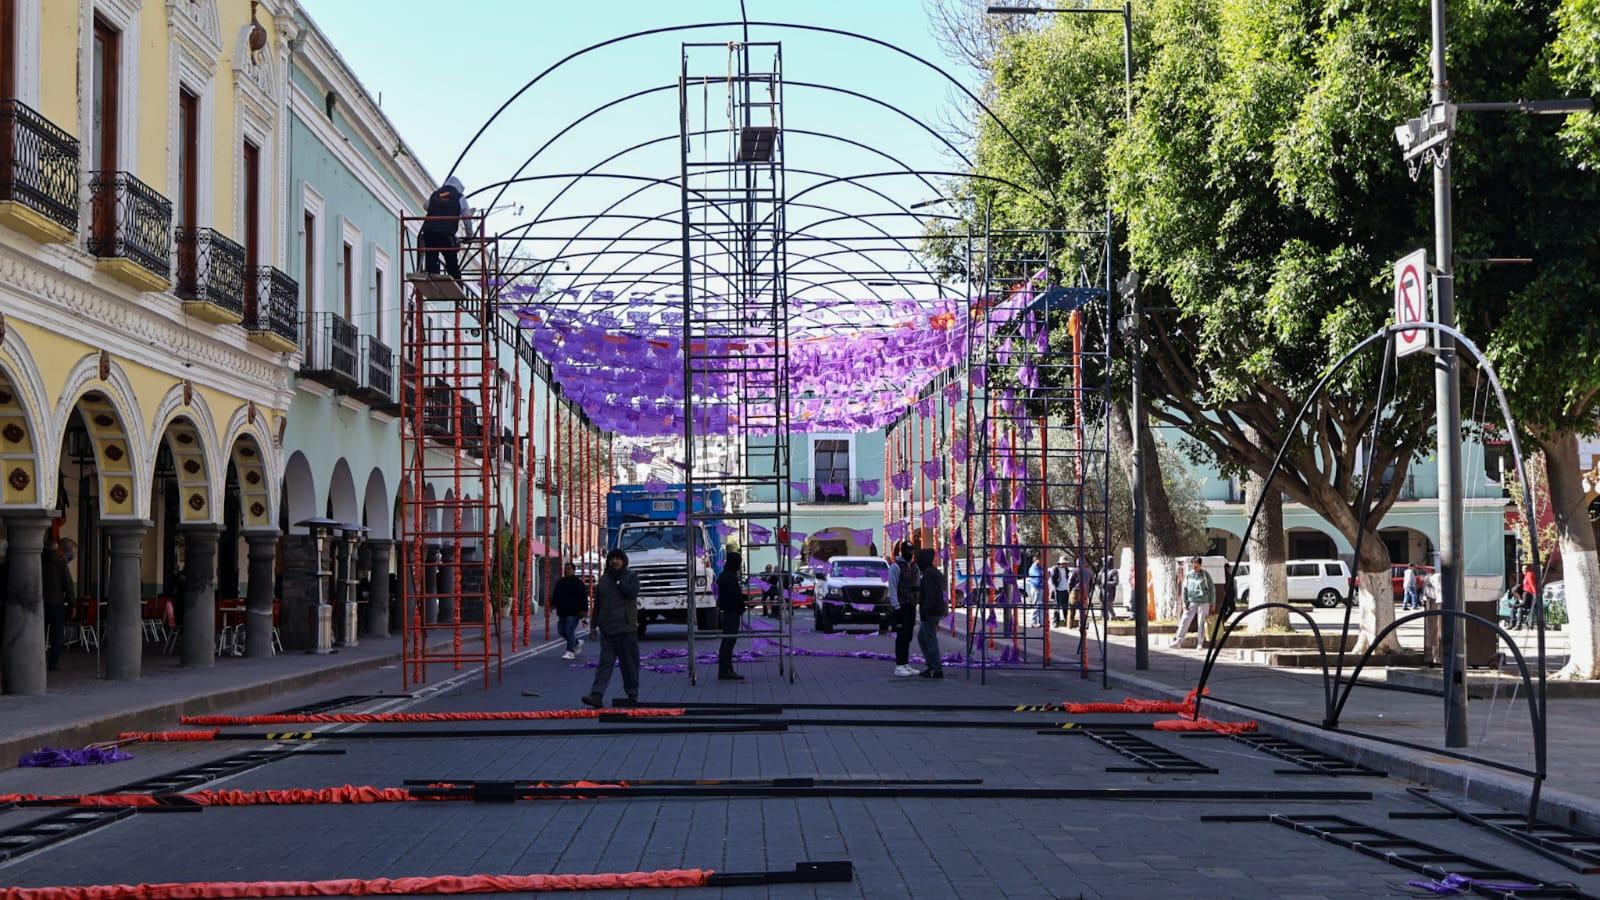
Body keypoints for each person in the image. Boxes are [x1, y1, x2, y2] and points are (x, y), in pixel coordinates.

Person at [580, 549, 642, 708]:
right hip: (607, 630)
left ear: (624, 561)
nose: (615, 561)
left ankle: (632, 694)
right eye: (612, 559)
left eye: (618, 559)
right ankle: (596, 695)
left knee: (628, 664)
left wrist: (620, 582)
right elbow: (598, 605)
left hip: (626, 629)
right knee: (604, 664)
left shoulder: (631, 577)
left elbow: (632, 593)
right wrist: (593, 625)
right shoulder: (604, 579)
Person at [418, 176, 473, 280]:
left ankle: (434, 281)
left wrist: (439, 205)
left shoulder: (436, 194)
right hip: (446, 233)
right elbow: (467, 218)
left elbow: (425, 206)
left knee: (432, 259)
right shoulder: (459, 197)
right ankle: (457, 284)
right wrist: (469, 236)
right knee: (451, 260)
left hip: (429, 232)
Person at [916, 548, 948, 679]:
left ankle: (936, 669)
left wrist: (924, 611)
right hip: (936, 610)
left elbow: (930, 595)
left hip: (931, 612)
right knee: (922, 638)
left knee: (930, 640)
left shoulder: (928, 574)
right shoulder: (934, 573)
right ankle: (931, 666)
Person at [1170, 558, 1215, 649]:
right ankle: (1178, 641)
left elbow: (1212, 589)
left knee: (1201, 622)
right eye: (1193, 564)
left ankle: (1200, 643)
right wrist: (1184, 602)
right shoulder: (1189, 575)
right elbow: (1185, 589)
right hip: (1192, 601)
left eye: (1196, 564)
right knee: (1185, 620)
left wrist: (1212, 603)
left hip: (1204, 601)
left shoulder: (1205, 575)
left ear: (1200, 565)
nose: (1194, 566)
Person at [716, 550, 746, 681]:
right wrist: (741, 604)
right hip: (731, 613)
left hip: (730, 612)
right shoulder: (729, 577)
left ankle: (725, 669)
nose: (739, 565)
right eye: (738, 562)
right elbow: (734, 596)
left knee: (727, 641)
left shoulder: (726, 575)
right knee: (729, 641)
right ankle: (726, 670)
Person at [41, 536, 69, 671]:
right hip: (57, 602)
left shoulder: (39, 561)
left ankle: (37, 659)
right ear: (57, 549)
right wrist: (72, 602)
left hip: (40, 602)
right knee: (56, 635)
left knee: (40, 633)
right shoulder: (61, 563)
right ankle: (53, 662)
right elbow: (68, 583)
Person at [892, 543, 921, 677]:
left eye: (911, 551)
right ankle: (899, 665)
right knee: (901, 635)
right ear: (902, 552)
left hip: (911, 605)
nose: (910, 554)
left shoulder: (914, 566)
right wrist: (896, 606)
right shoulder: (896, 567)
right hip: (901, 605)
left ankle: (905, 663)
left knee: (908, 635)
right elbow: (892, 588)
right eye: (907, 551)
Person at [551, 562, 588, 660]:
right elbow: (556, 594)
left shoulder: (578, 583)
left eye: (569, 569)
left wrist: (584, 610)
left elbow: (583, 597)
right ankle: (577, 642)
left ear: (573, 570)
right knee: (561, 631)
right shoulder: (561, 582)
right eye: (565, 568)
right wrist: (552, 605)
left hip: (574, 612)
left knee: (569, 630)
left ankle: (570, 652)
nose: (566, 570)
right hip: (562, 611)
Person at [1049, 555, 1072, 627]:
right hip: (1058, 590)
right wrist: (1055, 586)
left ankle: (1066, 621)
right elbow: (1053, 579)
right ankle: (1055, 622)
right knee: (1057, 607)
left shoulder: (1067, 570)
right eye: (1064, 563)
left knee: (1065, 607)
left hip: (1065, 590)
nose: (1065, 564)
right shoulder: (1055, 569)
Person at [1026, 556, 1044, 627]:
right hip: (1036, 588)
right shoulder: (1034, 568)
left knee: (1040, 605)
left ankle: (1041, 622)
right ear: (1036, 560)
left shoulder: (1038, 568)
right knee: (1036, 604)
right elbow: (1038, 577)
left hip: (1039, 588)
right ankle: (1033, 622)